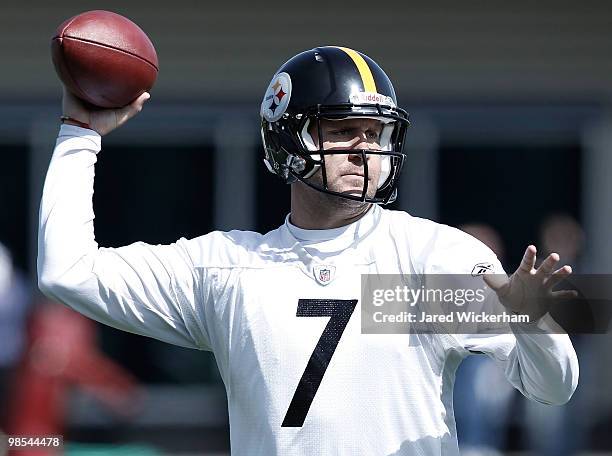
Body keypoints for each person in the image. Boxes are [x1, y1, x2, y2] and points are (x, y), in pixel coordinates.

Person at [38, 46, 578, 455]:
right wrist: (80, 133)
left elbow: (552, 390)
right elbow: (68, 272)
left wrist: (534, 322)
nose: (364, 150)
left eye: (375, 134)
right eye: (344, 131)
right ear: (287, 138)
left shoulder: (430, 259)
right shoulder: (230, 269)